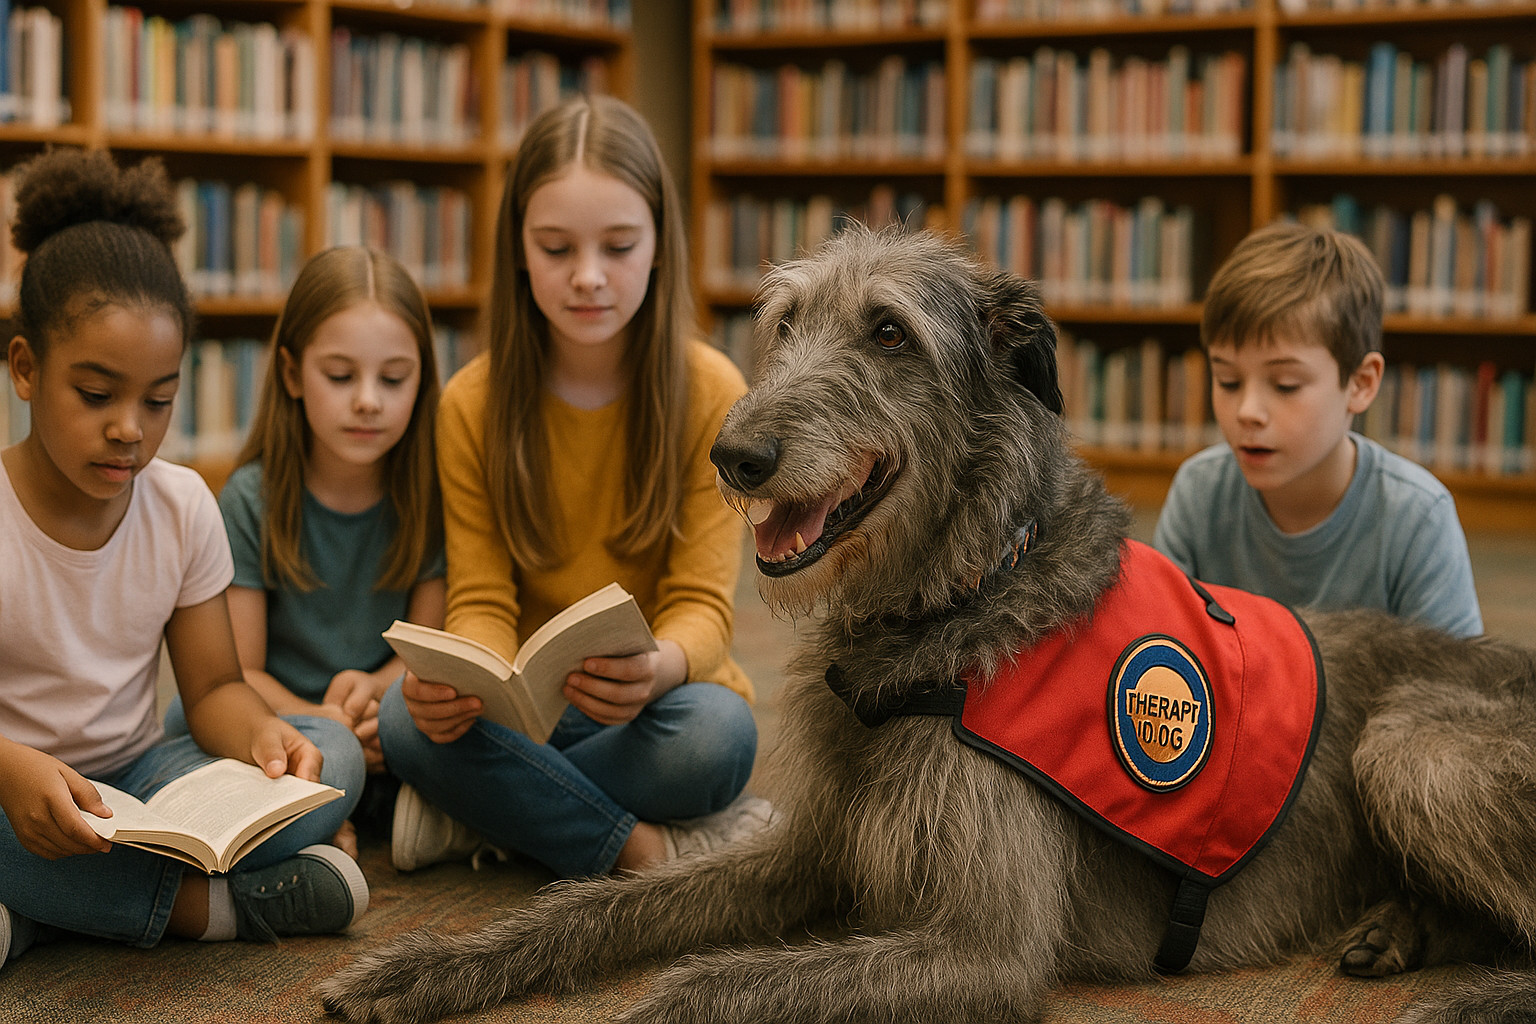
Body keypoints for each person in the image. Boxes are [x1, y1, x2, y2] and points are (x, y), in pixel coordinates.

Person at [377, 94, 768, 878]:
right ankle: (641, 850)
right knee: (404, 718)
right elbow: (482, 602)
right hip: (523, 716)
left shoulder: (711, 391)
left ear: (658, 245)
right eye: (556, 248)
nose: (588, 277)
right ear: (519, 250)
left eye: (618, 246)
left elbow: (702, 607)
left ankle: (479, 812)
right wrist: (468, 686)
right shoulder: (472, 402)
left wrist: (658, 667)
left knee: (719, 739)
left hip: (654, 703)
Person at [0, 150, 367, 972]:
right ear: (25, 369)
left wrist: (266, 738)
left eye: (159, 399)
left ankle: (40, 914)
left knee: (333, 755)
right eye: (96, 395)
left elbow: (211, 692)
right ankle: (215, 909)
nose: (130, 428)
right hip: (14, 786)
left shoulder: (182, 504)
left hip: (140, 780)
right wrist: (9, 769)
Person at [199, 246, 446, 844]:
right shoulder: (252, 498)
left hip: (385, 717)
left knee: (432, 721)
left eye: (394, 379)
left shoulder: (431, 492)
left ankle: (322, 819)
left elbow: (428, 651)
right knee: (195, 714)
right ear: (291, 374)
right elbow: (239, 673)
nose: (368, 400)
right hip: (284, 722)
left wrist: (375, 693)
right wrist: (324, 719)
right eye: (340, 376)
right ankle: (351, 811)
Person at [1153, 220, 1482, 638]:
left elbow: (1456, 677)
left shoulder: (1418, 518)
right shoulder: (1199, 493)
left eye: (1286, 385)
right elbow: (1160, 651)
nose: (1248, 412)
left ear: (1360, 384)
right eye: (1228, 381)